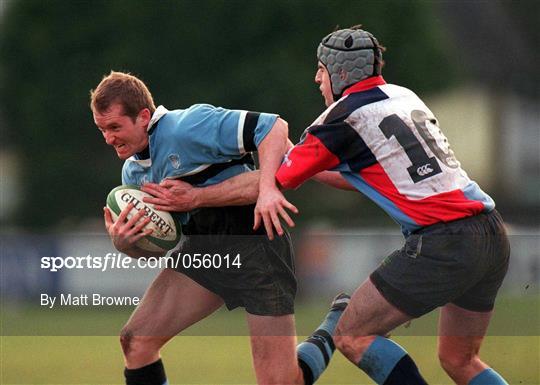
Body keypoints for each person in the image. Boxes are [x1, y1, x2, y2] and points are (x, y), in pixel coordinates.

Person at [255, 26, 511, 385]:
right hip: (491, 232)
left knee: (352, 334)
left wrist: (197, 195)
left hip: (445, 241)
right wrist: (307, 170)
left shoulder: (340, 120)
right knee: (460, 358)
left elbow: (275, 180)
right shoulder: (402, 96)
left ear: (340, 73)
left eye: (321, 69)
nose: (317, 79)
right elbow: (373, 176)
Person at [90, 71, 349, 385]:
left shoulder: (187, 126)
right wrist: (126, 243)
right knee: (136, 342)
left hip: (255, 242)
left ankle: (337, 326)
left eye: (114, 127)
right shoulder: (132, 173)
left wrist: (264, 189)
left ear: (143, 116)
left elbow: (274, 128)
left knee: (281, 382)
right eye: (102, 129)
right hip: (203, 250)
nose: (108, 138)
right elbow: (158, 247)